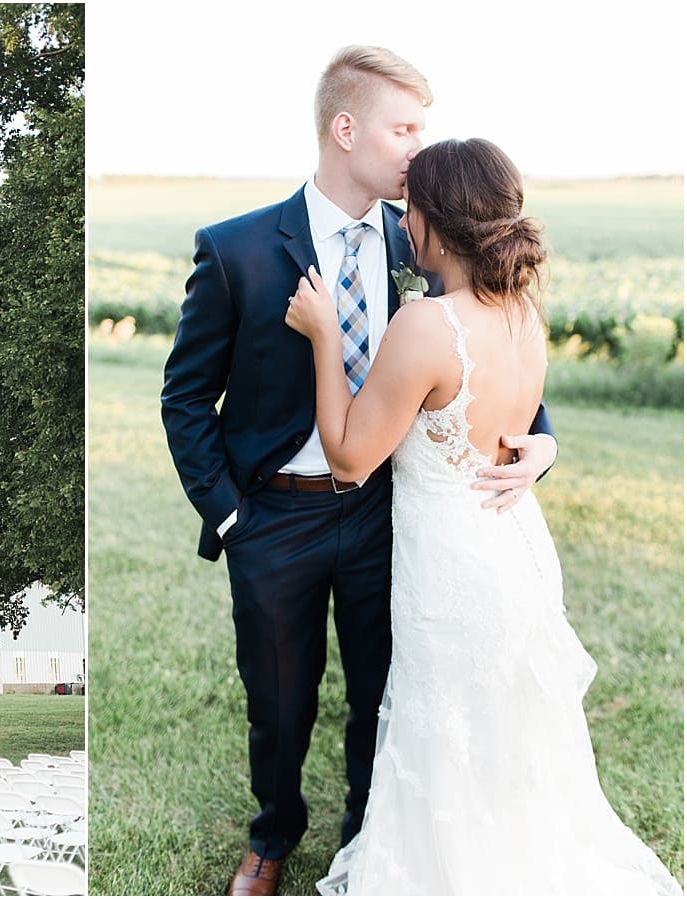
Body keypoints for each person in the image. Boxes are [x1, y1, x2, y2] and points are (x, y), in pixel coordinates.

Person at [160, 46, 559, 896]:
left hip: (388, 511)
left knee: (387, 689)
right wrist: (232, 516)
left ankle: (370, 834)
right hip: (275, 515)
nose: (420, 147)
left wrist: (544, 439)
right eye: (404, 127)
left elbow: (483, 347)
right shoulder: (237, 252)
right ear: (347, 129)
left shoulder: (421, 239)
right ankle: (272, 837)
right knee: (277, 700)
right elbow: (185, 397)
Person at [285, 136, 682, 895]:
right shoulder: (523, 314)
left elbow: (348, 457)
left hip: (453, 569)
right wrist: (547, 451)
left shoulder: (428, 326)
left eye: (412, 212)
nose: (402, 225)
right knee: (505, 730)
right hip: (515, 547)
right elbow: (525, 423)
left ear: (438, 223)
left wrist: (326, 334)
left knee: (449, 730)